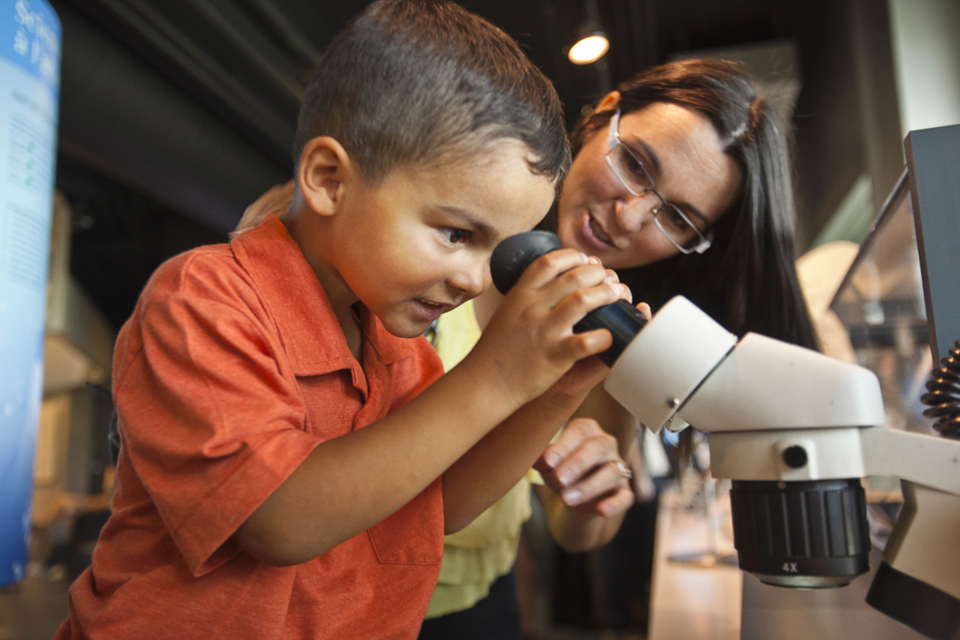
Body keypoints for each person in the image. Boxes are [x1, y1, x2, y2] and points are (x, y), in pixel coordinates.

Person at [52, 2, 638, 639]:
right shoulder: (204, 298)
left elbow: (439, 506)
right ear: (329, 179)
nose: (475, 279)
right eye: (454, 233)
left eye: (494, 246)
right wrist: (495, 376)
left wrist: (555, 387)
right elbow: (279, 520)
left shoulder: (392, 342)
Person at [237, 58, 819, 639]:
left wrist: (593, 493)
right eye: (636, 165)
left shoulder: (606, 328)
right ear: (603, 117)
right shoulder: (386, 228)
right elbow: (278, 499)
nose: (630, 214)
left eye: (675, 218)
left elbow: (542, 524)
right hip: (317, 597)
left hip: (472, 603)